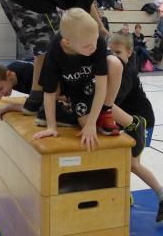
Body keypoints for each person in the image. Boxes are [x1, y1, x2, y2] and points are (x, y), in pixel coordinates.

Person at [0, 0, 127, 115]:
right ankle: (40, 100)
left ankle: (38, 97)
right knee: (53, 46)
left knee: (43, 48)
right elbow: (80, 19)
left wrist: (100, 27)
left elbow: (87, 2)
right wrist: (99, 49)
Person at [108, 32, 163, 221]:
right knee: (120, 159)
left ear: (129, 52)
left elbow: (110, 102)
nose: (114, 56)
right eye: (111, 52)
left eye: (118, 52)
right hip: (127, 119)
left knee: (133, 164)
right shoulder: (118, 67)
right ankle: (126, 194)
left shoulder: (126, 72)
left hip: (142, 120)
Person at [31, 8, 124, 145]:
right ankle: (72, 111)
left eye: (95, 40)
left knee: (115, 64)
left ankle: (106, 111)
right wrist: (51, 127)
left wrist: (92, 123)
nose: (94, 47)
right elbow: (49, 93)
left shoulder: (96, 42)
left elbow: (101, 87)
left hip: (93, 81)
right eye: (87, 45)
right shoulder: (54, 52)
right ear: (67, 43)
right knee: (86, 127)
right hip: (75, 88)